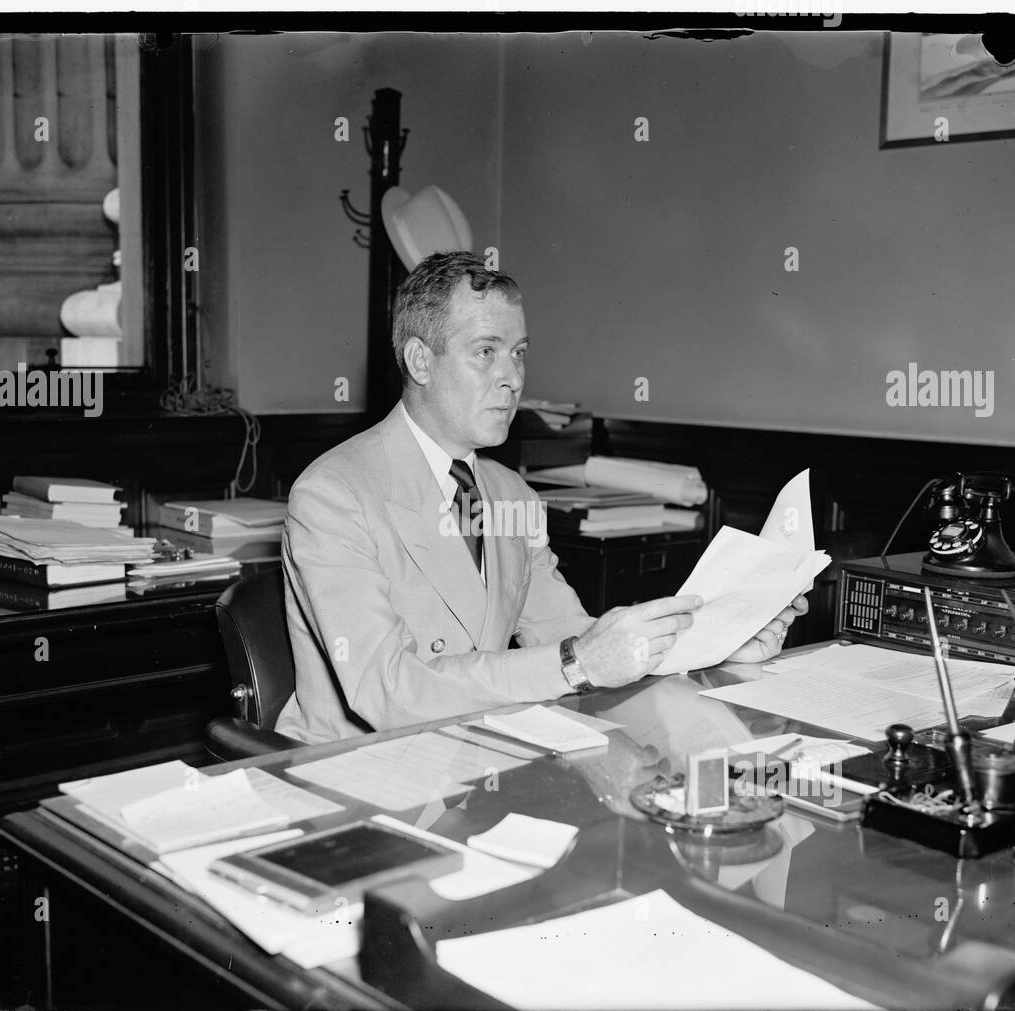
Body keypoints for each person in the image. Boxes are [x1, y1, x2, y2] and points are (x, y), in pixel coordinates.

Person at [276, 252, 804, 743]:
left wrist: (718, 646)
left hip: (474, 756)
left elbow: (569, 635)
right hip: (358, 773)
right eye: (486, 352)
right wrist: (578, 662)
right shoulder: (332, 496)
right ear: (420, 361)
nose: (512, 378)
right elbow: (387, 691)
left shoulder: (511, 494)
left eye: (519, 353)